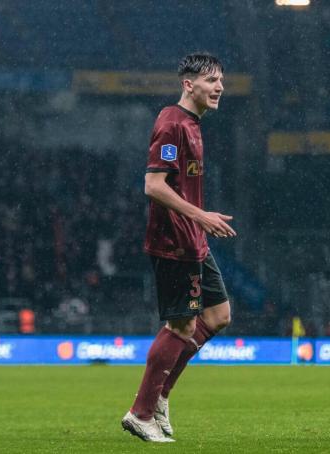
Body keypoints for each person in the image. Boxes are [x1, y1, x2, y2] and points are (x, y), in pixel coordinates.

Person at [121, 53, 236, 442]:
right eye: (211, 80)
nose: (219, 86)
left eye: (221, 79)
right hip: (174, 241)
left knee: (218, 316)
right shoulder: (172, 123)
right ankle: (141, 411)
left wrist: (200, 224)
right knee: (182, 324)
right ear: (189, 85)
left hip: (194, 240)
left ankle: (160, 395)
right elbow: (153, 186)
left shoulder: (193, 123)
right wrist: (201, 216)